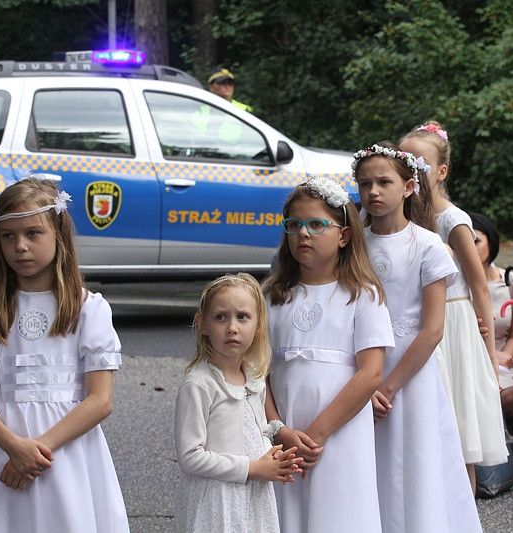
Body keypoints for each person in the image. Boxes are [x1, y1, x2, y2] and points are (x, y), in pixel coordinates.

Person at [0, 177, 129, 532]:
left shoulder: (88, 309)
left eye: (33, 233)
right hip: (3, 453)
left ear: (58, 234)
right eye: (8, 235)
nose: (20, 245)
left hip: (66, 453)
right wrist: (13, 447)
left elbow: (100, 400)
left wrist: (35, 451)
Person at [354, 141, 481, 532]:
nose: (373, 192)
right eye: (364, 184)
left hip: (408, 371)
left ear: (409, 187)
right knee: (368, 463)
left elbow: (432, 328)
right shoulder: (352, 242)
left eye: (384, 182)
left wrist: (387, 388)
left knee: (413, 460)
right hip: (359, 367)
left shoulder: (427, 245)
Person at [262, 177, 394, 532]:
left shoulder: (362, 295)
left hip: (338, 431)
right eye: (294, 225)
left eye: (317, 224)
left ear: (344, 235)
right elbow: (257, 373)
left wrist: (317, 435)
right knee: (288, 514)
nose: (303, 233)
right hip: (285, 435)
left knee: (339, 512)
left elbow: (370, 374)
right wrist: (280, 430)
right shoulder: (272, 297)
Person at [399, 124, 508, 493]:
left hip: (453, 326)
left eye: (421, 163)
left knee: (458, 427)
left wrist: (488, 351)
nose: (412, 169)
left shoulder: (452, 220)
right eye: (406, 161)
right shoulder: (402, 217)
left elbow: (479, 286)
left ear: (441, 171)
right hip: (415, 321)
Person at [174, 273, 302, 532]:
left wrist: (273, 456)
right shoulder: (199, 384)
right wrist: (252, 468)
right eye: (221, 317)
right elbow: (190, 456)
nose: (232, 327)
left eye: (242, 317)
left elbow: (257, 430)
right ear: (203, 324)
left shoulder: (254, 378)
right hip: (218, 500)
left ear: (257, 326)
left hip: (253, 496)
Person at [467, 213, 513, 428]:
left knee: (508, 397)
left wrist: (503, 356)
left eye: (476, 240)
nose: (469, 246)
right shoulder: (453, 281)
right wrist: (489, 354)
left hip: (504, 358)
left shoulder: (510, 279)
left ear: (491, 243)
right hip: (468, 357)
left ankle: (511, 421)